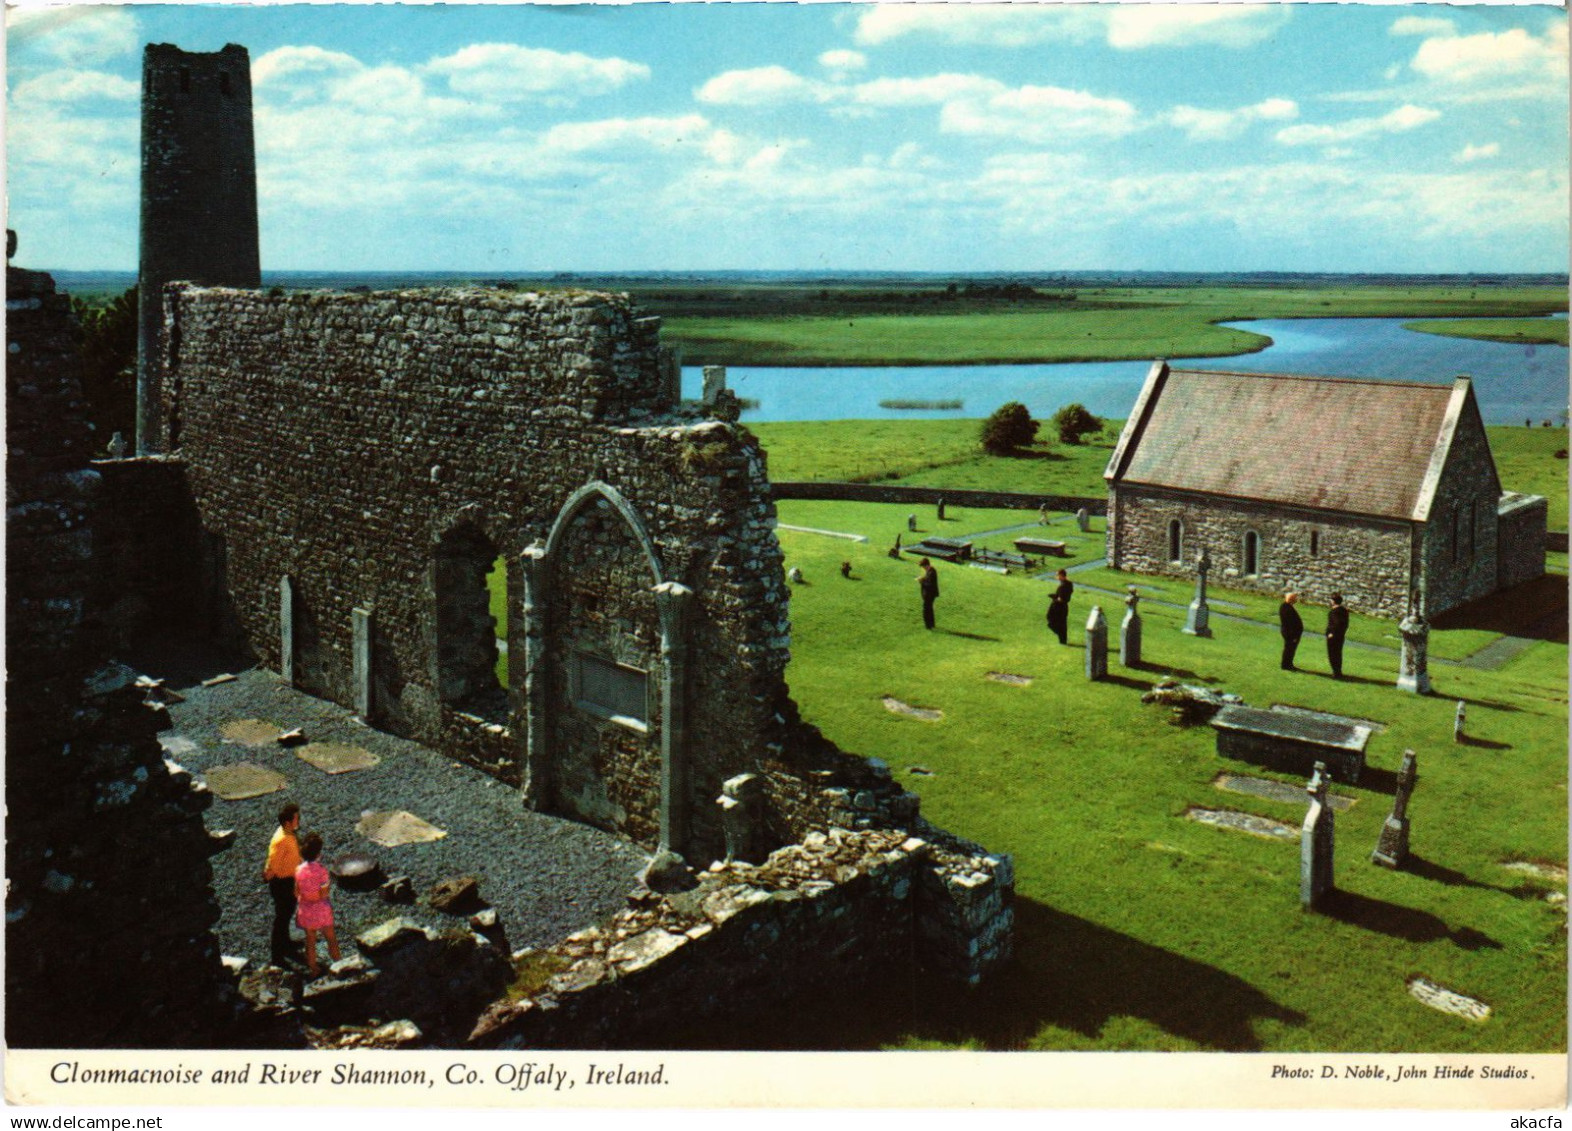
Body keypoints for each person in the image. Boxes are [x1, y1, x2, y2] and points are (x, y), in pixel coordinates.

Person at [293, 832, 341, 977]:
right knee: (331, 938)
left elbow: (296, 892)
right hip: (321, 909)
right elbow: (324, 893)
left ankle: (313, 968)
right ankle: (339, 964)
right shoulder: (322, 872)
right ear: (318, 854)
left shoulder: (298, 870)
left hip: (305, 909)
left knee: (310, 941)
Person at [262, 802, 302, 966]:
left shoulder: (288, 833)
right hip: (282, 883)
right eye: (296, 819)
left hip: (289, 880)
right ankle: (277, 956)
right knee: (282, 917)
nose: (298, 821)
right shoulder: (281, 840)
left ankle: (286, 944)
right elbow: (273, 866)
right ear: (288, 822)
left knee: (286, 914)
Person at [1325, 593, 1350, 679]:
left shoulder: (1335, 612)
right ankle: (1338, 671)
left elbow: (1336, 623)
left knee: (1333, 654)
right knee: (1338, 654)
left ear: (1333, 601)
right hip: (1340, 636)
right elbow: (1345, 624)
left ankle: (1336, 673)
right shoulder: (1344, 611)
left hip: (1334, 637)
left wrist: (1332, 633)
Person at [1047, 569, 1074, 645]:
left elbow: (1061, 599)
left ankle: (1059, 634)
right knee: (1062, 623)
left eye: (1058, 575)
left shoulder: (1063, 586)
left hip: (1059, 607)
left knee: (1051, 619)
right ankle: (1063, 640)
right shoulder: (1069, 584)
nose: (1057, 577)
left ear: (1062, 575)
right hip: (1064, 607)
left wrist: (1054, 597)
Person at [1278, 592, 1304, 671]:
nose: (1296, 600)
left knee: (1290, 649)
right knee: (1289, 649)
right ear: (1291, 599)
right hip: (1290, 634)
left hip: (1291, 633)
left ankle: (1288, 664)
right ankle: (1286, 665)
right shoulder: (1286, 608)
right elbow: (1290, 623)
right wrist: (1294, 636)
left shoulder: (1287, 607)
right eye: (1295, 598)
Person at [917, 557, 939, 630]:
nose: (923, 568)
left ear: (926, 565)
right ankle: (931, 624)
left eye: (923, 566)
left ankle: (928, 626)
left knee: (926, 609)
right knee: (929, 609)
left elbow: (930, 584)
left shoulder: (931, 572)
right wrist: (923, 578)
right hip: (930, 594)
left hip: (930, 594)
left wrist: (921, 581)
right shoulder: (930, 571)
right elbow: (928, 580)